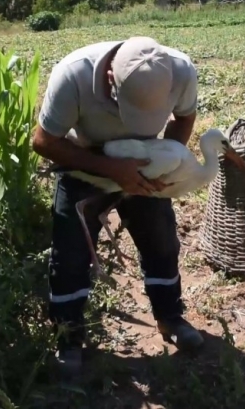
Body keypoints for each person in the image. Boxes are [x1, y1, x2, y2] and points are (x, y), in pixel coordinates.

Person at [31, 36, 204, 378]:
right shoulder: (73, 75)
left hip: (143, 164)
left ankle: (169, 317)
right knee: (71, 253)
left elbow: (184, 118)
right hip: (86, 162)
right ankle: (68, 338)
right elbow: (43, 141)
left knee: (162, 241)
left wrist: (161, 160)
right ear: (111, 79)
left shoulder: (180, 70)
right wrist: (112, 170)